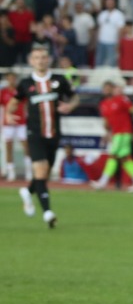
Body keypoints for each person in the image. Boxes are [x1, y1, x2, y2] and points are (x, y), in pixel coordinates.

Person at [15, 47, 74, 227]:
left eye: (43, 57)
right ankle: (48, 213)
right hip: (35, 134)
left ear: (48, 59)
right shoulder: (26, 83)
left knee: (44, 174)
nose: (40, 60)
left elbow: (74, 98)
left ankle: (27, 191)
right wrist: (9, 114)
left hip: (53, 134)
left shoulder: (59, 80)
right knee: (41, 170)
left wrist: (69, 106)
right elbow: (14, 101)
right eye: (36, 58)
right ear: (31, 61)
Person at [91, 80, 133, 192]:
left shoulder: (121, 99)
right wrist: (107, 133)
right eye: (104, 89)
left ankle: (103, 182)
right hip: (115, 133)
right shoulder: (104, 104)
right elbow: (107, 121)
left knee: (113, 156)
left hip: (124, 132)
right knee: (125, 158)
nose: (106, 91)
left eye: (109, 88)